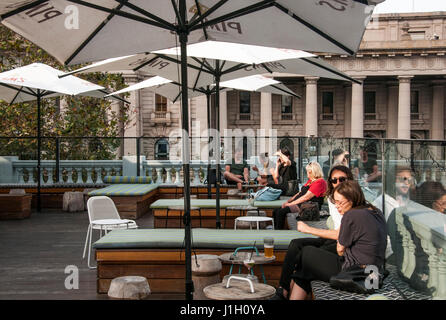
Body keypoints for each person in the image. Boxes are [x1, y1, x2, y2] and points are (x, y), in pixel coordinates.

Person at [288, 180, 387, 300]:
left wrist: (308, 229)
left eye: (340, 203)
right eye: (335, 202)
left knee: (306, 252)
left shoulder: (351, 215)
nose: (337, 206)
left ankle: (284, 290)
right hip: (375, 273)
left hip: (355, 272)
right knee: (305, 271)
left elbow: (340, 250)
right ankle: (287, 292)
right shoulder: (376, 211)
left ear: (352, 199)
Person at [270, 165, 354, 300]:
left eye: (342, 179)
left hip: (344, 244)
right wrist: (289, 201)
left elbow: (343, 235)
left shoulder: (353, 202)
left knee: (306, 256)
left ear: (350, 180)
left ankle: (283, 293)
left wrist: (308, 229)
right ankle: (283, 288)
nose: (338, 183)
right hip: (334, 237)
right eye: (334, 180)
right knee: (295, 245)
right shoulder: (334, 199)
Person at [272, 162, 326, 230]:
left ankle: (279, 231)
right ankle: (276, 229)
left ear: (312, 172)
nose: (307, 173)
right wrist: (289, 200)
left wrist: (290, 204)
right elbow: (300, 193)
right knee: (275, 211)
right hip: (300, 204)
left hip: (308, 206)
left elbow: (306, 197)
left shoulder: (320, 182)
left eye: (308, 171)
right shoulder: (310, 181)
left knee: (280, 212)